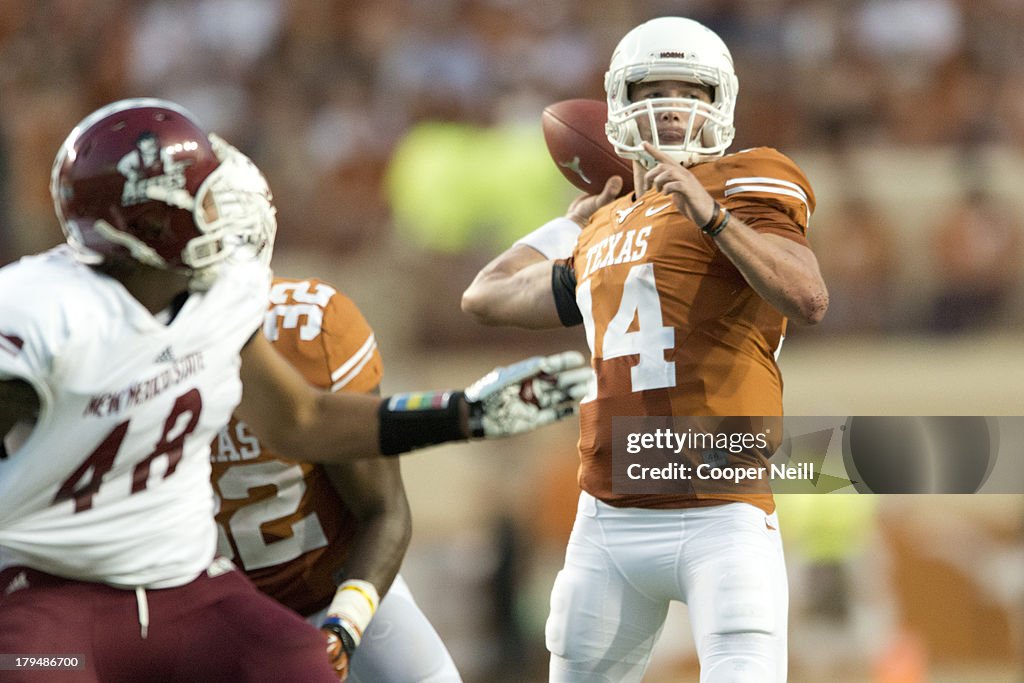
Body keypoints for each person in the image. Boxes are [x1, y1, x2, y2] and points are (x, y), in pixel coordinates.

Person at [0, 98, 591, 682]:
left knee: (299, 665)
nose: (224, 208)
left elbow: (302, 419)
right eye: (204, 195)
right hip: (57, 590)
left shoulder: (218, 299)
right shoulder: (43, 314)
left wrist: (465, 413)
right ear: (149, 221)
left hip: (187, 588)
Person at [462, 17, 828, 683]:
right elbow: (483, 296)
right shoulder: (602, 224)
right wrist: (565, 225)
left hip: (723, 508)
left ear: (720, 104)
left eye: (688, 91)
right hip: (607, 517)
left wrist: (712, 217)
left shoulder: (747, 180)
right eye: (651, 89)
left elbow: (808, 296)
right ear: (617, 104)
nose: (669, 107)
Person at [212, 275, 461, 682]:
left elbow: (385, 510)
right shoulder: (118, 351)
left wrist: (346, 622)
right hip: (212, 618)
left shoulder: (309, 329)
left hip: (333, 590)